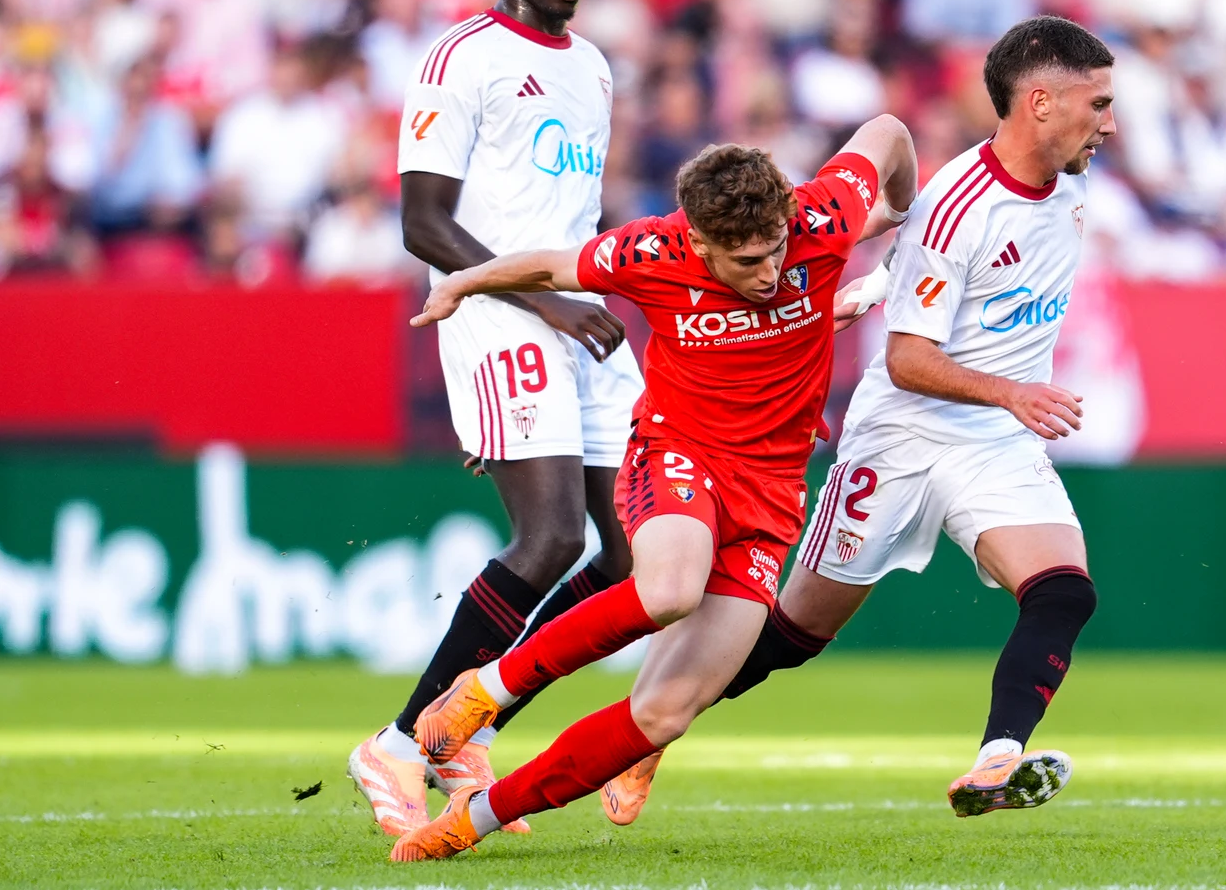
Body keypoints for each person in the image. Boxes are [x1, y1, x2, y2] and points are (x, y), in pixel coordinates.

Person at [600, 16, 1118, 826]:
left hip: (994, 442)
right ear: (1041, 103)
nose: (1111, 123)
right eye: (1099, 103)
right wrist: (1015, 391)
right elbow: (909, 358)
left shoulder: (1074, 190)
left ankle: (996, 758)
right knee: (791, 633)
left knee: (1064, 593)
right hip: (904, 432)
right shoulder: (957, 201)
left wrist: (887, 301)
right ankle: (647, 731)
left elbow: (928, 282)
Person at [387, 110, 918, 860]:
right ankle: (484, 690)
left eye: (775, 252)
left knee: (666, 710)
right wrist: (465, 283)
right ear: (698, 241)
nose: (769, 272)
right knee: (668, 586)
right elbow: (547, 266)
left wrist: (900, 210)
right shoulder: (651, 249)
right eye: (746, 261)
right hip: (680, 452)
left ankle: (474, 819)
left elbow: (890, 132)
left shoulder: (823, 215)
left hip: (772, 491)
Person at [345, 0, 648, 838]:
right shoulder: (461, 59)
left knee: (642, 554)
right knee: (553, 534)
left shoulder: (595, 68)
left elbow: (569, 216)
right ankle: (395, 745)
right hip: (492, 312)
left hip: (577, 320)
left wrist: (587, 299)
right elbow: (423, 222)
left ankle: (468, 722)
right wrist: (546, 310)